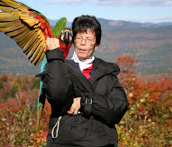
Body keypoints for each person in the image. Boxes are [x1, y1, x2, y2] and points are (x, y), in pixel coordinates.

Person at [37, 15, 129, 147]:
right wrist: (55, 57)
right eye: (79, 38)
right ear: (73, 41)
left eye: (89, 39)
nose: (83, 42)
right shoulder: (59, 67)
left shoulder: (107, 73)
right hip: (65, 141)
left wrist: (85, 102)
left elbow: (118, 109)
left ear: (96, 45)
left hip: (101, 142)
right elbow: (57, 95)